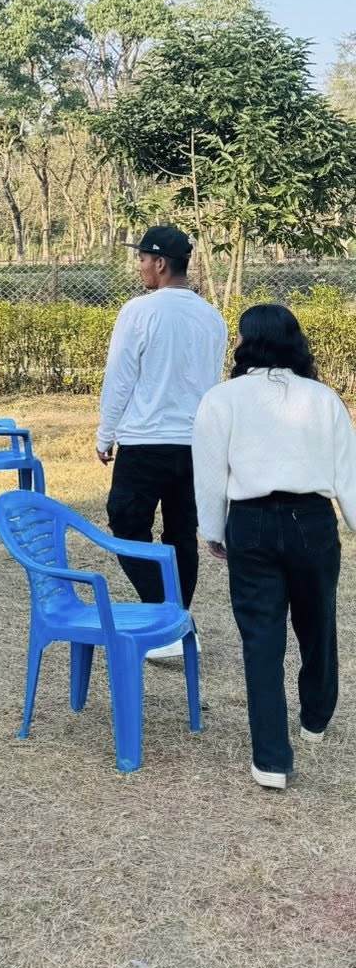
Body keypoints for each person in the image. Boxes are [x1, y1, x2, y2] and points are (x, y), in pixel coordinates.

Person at [193, 304, 356, 791]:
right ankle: (316, 715)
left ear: (246, 343)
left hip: (251, 522)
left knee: (261, 640)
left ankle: (271, 760)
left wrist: (213, 530)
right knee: (318, 622)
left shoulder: (221, 399)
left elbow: (210, 473)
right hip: (313, 520)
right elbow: (347, 473)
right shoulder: (323, 398)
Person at [96, 226, 228, 654]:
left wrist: (105, 433)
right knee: (181, 535)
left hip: (145, 441)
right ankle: (178, 621)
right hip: (195, 443)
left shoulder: (138, 311)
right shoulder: (212, 317)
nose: (139, 267)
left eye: (141, 259)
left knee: (125, 523)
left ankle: (166, 618)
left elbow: (120, 378)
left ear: (160, 263)